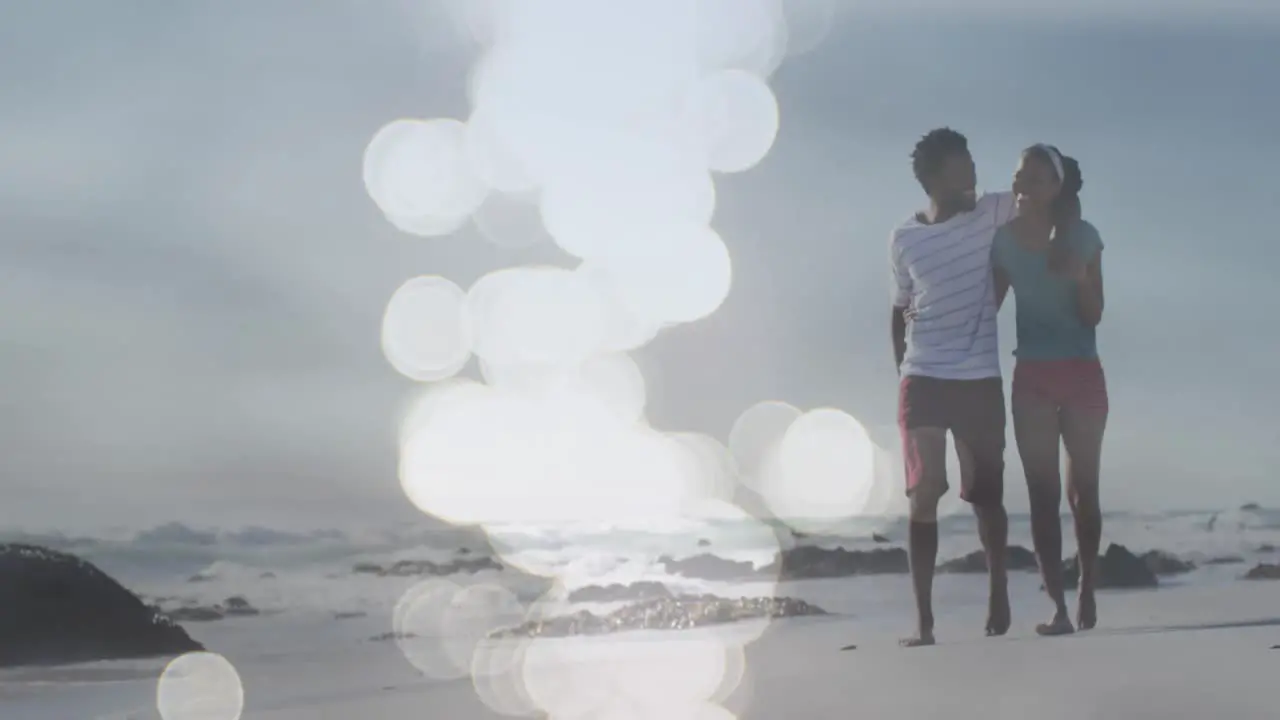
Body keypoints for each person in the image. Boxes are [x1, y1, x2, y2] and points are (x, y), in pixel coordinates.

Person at [889, 128, 1017, 647]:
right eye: (964, 161)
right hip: (923, 376)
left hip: (978, 376)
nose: (974, 168)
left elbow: (1046, 195)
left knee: (986, 497)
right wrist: (905, 365)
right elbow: (901, 306)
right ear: (938, 176)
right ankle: (923, 620)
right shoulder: (905, 237)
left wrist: (996, 292)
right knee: (924, 492)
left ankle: (999, 591)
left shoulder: (992, 212)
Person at [991, 144, 1106, 636]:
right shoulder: (1004, 241)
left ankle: (1087, 587)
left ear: (1056, 187)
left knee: (1083, 493)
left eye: (1037, 178)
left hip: (1081, 373)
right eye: (1021, 176)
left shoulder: (1083, 236)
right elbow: (987, 307)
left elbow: (1095, 314)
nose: (1025, 185)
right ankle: (1057, 606)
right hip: (1032, 377)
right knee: (1042, 496)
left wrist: (1080, 277)